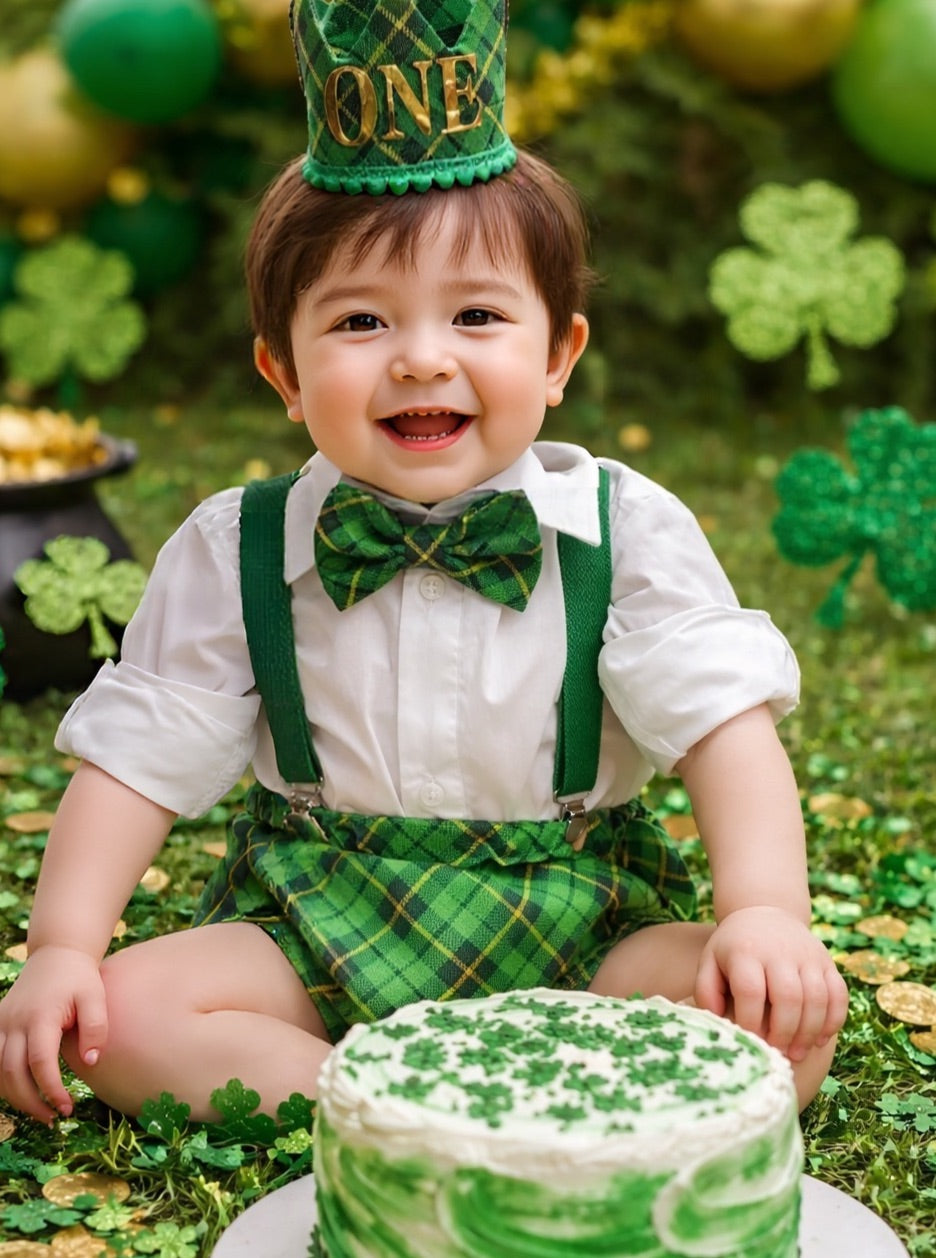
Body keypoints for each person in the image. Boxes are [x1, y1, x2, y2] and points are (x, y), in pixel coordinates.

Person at [0, 0, 847, 1128]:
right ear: (282, 371)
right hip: (316, 922)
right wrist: (62, 946)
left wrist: (767, 915)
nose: (421, 358)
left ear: (558, 356)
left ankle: (466, 1110)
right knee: (117, 1014)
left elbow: (724, 731)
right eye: (359, 322)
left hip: (582, 926)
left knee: (776, 1024)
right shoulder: (234, 546)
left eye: (478, 314)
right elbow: (136, 758)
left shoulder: (624, 526)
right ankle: (414, 1116)